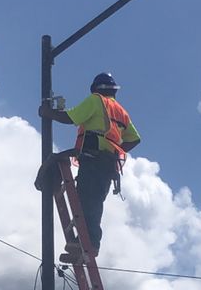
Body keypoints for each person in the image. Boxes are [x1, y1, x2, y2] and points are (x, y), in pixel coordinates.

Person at [39, 72, 140, 258]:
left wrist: (48, 113)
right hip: (107, 163)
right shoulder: (121, 112)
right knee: (92, 202)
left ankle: (90, 244)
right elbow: (134, 139)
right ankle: (83, 245)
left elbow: (71, 117)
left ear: (96, 89)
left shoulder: (96, 100)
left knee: (87, 201)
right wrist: (114, 149)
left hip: (93, 159)